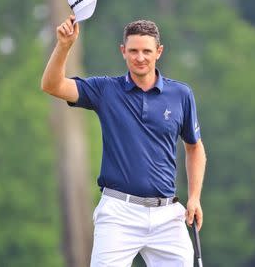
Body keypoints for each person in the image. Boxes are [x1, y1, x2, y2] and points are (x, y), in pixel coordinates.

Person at [41, 15, 207, 266]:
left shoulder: (180, 94)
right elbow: (52, 85)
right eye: (133, 51)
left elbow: (194, 147)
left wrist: (194, 197)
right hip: (119, 213)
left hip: (167, 214)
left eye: (146, 51)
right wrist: (64, 46)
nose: (140, 57)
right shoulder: (105, 90)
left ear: (159, 52)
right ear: (123, 51)